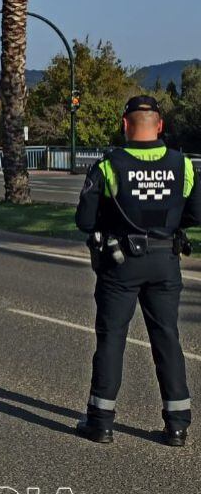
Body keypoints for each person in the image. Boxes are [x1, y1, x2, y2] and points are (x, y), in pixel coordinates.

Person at [75, 95, 201, 447]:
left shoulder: (108, 166)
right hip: (166, 261)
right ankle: (177, 425)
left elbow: (84, 220)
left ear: (124, 124)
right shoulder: (183, 164)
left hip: (121, 264)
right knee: (167, 338)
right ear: (160, 125)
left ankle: (100, 422)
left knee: (112, 338)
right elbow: (197, 214)